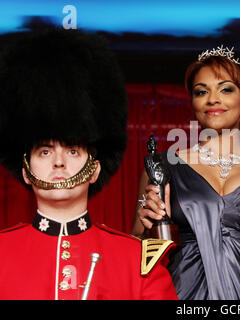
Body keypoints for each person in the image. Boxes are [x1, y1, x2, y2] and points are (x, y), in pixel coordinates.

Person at [0, 28, 177, 300]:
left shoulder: (137, 262)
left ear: (94, 169)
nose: (59, 162)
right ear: (26, 171)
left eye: (72, 151)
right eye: (45, 152)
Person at [132, 46, 240, 299]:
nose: (213, 99)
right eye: (202, 91)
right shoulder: (160, 167)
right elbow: (137, 253)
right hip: (184, 295)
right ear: (194, 103)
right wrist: (145, 228)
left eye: (226, 88)